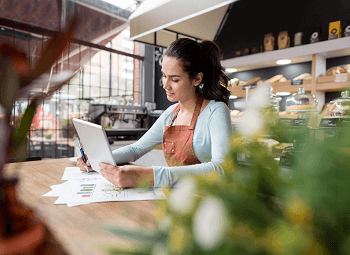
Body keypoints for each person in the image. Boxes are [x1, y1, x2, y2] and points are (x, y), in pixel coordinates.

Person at [77, 38, 233, 188]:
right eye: (164, 75)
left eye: (175, 79)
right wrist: (97, 160)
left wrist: (147, 175)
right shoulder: (171, 114)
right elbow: (136, 149)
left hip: (208, 202)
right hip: (178, 199)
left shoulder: (216, 111)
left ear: (197, 79)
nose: (165, 85)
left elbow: (221, 169)